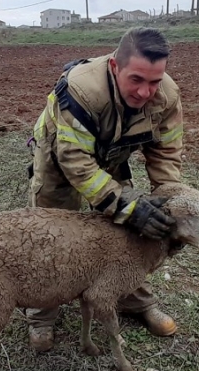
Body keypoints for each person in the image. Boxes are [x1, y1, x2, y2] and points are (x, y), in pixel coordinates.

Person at [26, 27, 184, 352]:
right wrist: (125, 203)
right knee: (50, 233)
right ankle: (41, 315)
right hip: (60, 153)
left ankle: (132, 300)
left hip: (113, 151)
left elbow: (165, 153)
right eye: (136, 79)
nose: (145, 92)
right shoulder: (81, 89)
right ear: (115, 67)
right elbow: (75, 162)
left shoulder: (167, 95)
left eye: (154, 81)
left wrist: (163, 202)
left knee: (126, 234)